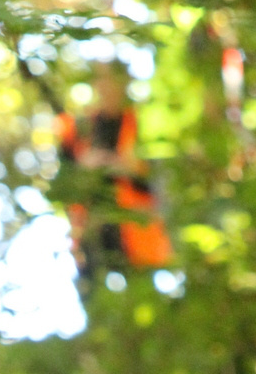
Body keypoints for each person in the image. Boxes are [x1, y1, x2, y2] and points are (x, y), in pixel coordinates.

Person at [54, 64, 172, 282]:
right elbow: (62, 186)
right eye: (102, 80)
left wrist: (124, 167)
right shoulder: (77, 129)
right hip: (91, 240)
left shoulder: (143, 124)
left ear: (125, 83)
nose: (107, 87)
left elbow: (163, 181)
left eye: (113, 80)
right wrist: (84, 168)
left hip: (139, 243)